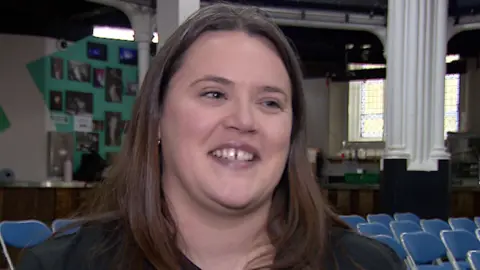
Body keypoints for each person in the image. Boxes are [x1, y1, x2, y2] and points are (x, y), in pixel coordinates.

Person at [17, 3, 405, 270]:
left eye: (270, 102)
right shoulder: (61, 265)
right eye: (214, 94)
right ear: (155, 120)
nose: (243, 119)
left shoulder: (366, 264)